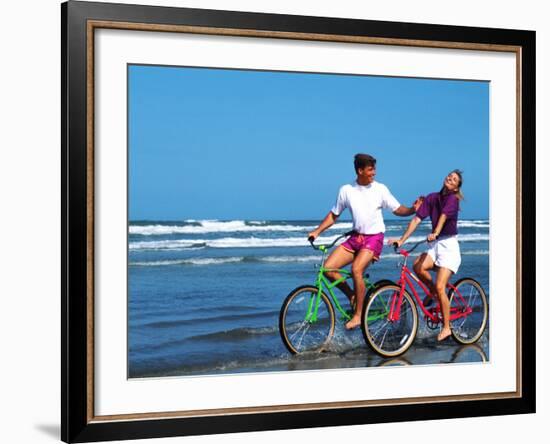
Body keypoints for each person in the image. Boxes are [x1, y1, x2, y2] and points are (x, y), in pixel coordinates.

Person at [308, 153, 423, 330]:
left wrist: (412, 209)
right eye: (370, 169)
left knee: (356, 270)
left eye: (374, 169)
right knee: (329, 269)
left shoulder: (380, 189)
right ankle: (353, 296)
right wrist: (317, 231)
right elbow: (333, 215)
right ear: (360, 170)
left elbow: (397, 209)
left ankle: (358, 315)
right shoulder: (346, 190)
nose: (374, 173)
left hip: (374, 238)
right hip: (355, 238)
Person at [390, 169, 464, 341]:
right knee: (417, 266)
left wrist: (436, 232)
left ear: (455, 188)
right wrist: (402, 240)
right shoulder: (432, 198)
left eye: (454, 180)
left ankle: (446, 328)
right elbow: (416, 219)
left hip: (449, 246)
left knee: (441, 286)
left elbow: (444, 217)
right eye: (449, 176)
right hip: (435, 244)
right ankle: (433, 292)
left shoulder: (453, 199)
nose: (450, 179)